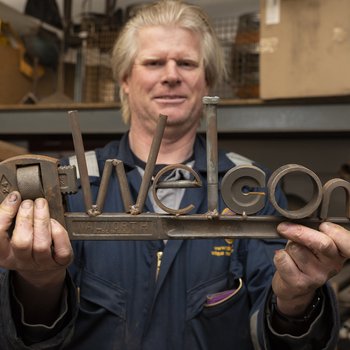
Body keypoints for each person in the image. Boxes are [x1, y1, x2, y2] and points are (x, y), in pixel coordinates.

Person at [0, 1, 349, 349]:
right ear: (124, 78)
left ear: (207, 80)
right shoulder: (70, 184)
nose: (171, 75)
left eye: (186, 63)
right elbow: (27, 336)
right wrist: (38, 281)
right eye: (153, 63)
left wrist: (296, 300)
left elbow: (276, 326)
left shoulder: (251, 187)